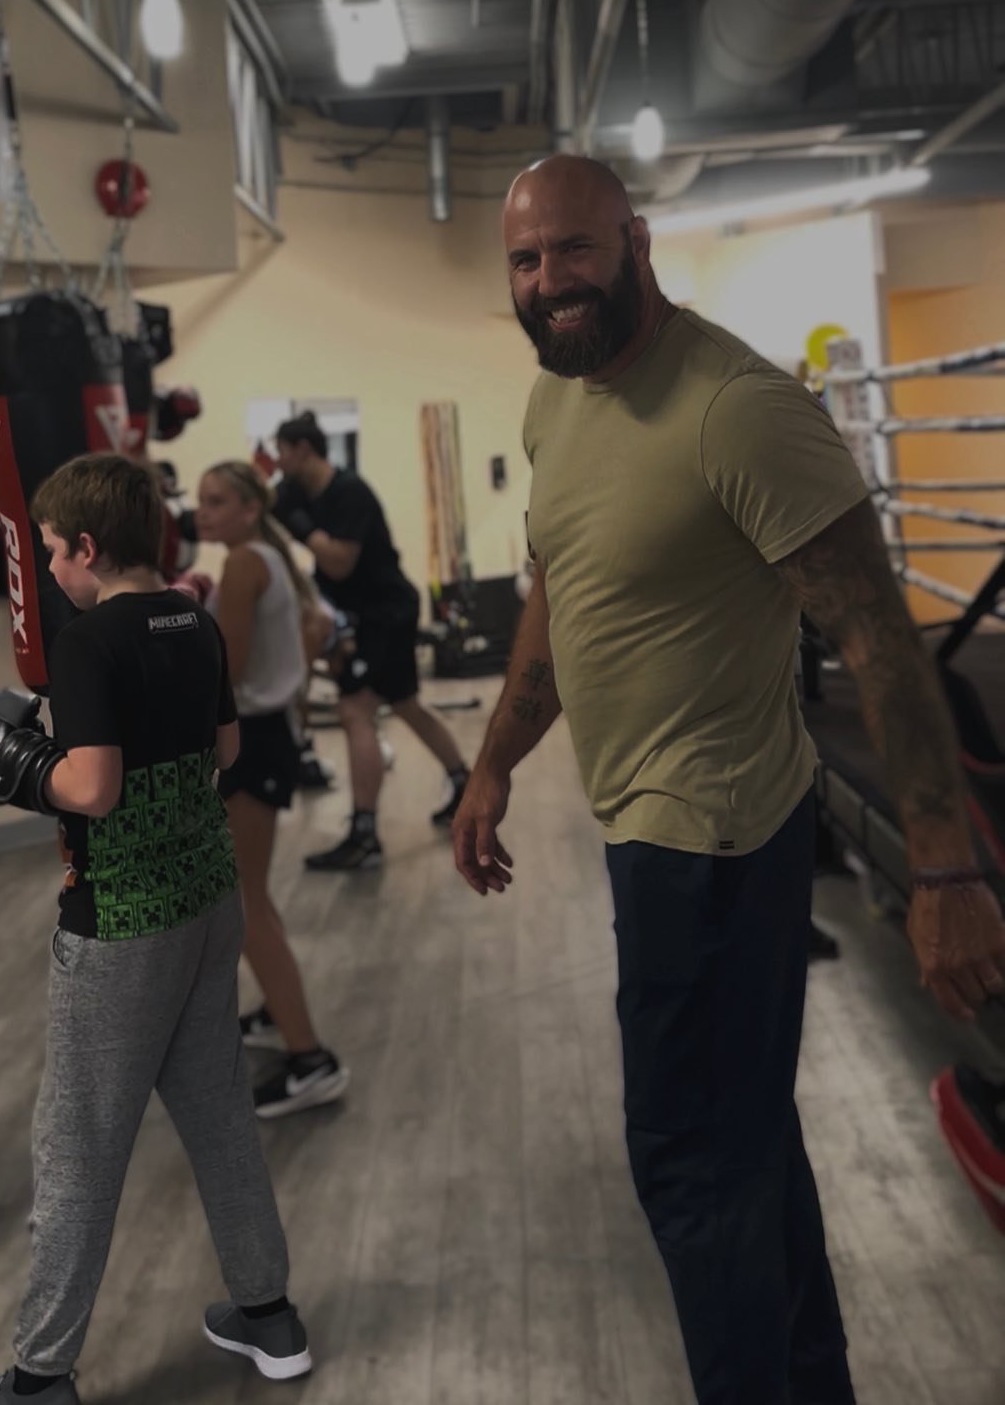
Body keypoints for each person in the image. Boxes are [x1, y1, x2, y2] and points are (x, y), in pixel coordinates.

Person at [452, 154, 1005, 1405]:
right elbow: (561, 587)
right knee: (746, 1149)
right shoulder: (559, 398)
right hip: (648, 828)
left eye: (574, 250)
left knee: (693, 1164)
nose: (550, 282)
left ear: (635, 239)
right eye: (526, 262)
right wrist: (492, 761)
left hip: (709, 839)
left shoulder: (734, 406)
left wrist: (944, 864)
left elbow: (876, 634)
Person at [0, 453, 310, 1405]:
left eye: (54, 552)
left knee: (77, 1147)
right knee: (220, 1111)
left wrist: (24, 768)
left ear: (87, 549)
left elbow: (91, 789)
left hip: (123, 927)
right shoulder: (193, 616)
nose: (51, 569)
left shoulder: (92, 641)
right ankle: (269, 1315)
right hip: (208, 906)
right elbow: (224, 747)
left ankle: (39, 1377)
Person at [196, 458, 349, 1117]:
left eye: (218, 501)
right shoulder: (267, 558)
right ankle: (276, 1015)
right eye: (201, 501)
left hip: (253, 738)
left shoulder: (244, 564)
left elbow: (222, 667)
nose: (204, 512)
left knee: (245, 905)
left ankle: (310, 1057)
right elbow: (308, 633)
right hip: (265, 736)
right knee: (250, 896)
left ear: (251, 507)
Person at [271, 410, 470, 872]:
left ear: (302, 449)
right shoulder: (294, 492)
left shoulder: (349, 492)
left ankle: (364, 835)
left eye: (282, 451)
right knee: (404, 702)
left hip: (385, 611)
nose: (278, 462)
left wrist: (300, 527)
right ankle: (463, 781)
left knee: (356, 710)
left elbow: (339, 562)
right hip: (361, 612)